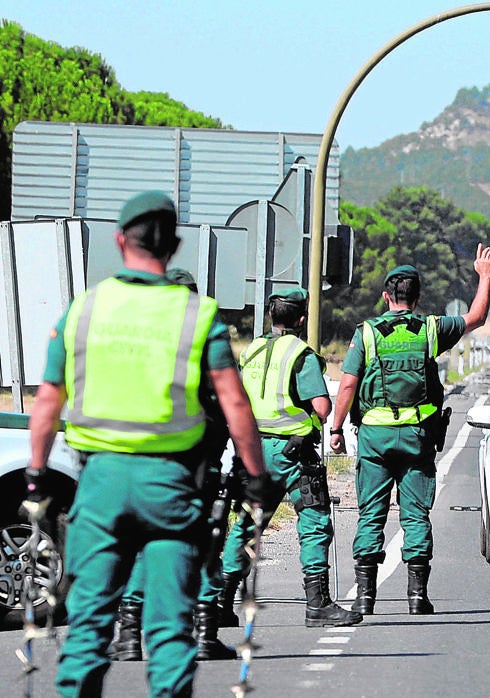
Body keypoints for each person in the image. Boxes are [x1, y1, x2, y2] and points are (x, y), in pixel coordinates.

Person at [24, 191, 275, 697]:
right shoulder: (199, 315)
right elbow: (235, 403)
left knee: (89, 625)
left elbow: (48, 399)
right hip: (172, 486)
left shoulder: (83, 311)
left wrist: (35, 474)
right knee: (170, 630)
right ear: (175, 245)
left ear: (120, 241)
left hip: (100, 485)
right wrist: (257, 478)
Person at [330, 245, 490, 615]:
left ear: (386, 296)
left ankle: (365, 597)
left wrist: (336, 429)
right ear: (418, 298)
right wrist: (484, 275)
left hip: (374, 439)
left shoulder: (368, 334)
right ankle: (417, 597)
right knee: (416, 514)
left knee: (371, 514)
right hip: (418, 438)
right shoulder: (431, 330)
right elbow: (478, 316)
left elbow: (347, 385)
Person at [107, 267, 240, 662]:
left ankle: (130, 637)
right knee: (204, 544)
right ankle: (203, 635)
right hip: (199, 463)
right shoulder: (208, 339)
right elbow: (232, 402)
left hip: (146, 462)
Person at [213, 287, 361, 627]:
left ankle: (221, 601)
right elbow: (322, 407)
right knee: (313, 525)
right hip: (293, 453)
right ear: (302, 319)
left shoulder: (250, 350)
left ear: (270, 316)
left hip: (252, 451)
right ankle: (318, 604)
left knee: (249, 522)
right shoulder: (300, 354)